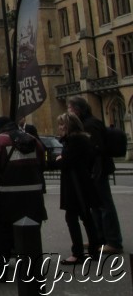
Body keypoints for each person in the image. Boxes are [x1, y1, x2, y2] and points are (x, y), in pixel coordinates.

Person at [0, 115, 47, 261]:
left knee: (5, 233)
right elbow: (42, 163)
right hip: (34, 194)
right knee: (32, 231)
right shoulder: (33, 139)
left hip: (9, 194)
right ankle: (32, 267)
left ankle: (0, 270)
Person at [67, 96, 124, 254]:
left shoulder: (90, 125)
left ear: (77, 110)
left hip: (97, 170)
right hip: (92, 170)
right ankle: (100, 238)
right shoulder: (86, 123)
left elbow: (96, 150)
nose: (68, 112)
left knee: (104, 206)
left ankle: (113, 241)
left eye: (70, 108)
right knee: (96, 206)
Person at [55, 112, 100, 264]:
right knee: (86, 216)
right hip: (83, 182)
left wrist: (61, 159)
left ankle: (78, 253)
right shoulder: (83, 138)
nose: (59, 128)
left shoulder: (74, 140)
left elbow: (67, 162)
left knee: (72, 217)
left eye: (62, 125)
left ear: (70, 126)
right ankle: (94, 250)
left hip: (76, 184)